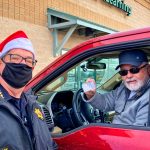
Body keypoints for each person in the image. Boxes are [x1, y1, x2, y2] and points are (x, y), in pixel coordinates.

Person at [0, 31, 57, 149]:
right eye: (15, 58)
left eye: (29, 61)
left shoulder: (34, 106)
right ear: (1, 62)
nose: (23, 64)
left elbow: (49, 145)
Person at [82, 50, 150, 126]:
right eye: (123, 72)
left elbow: (139, 134)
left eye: (134, 70)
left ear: (148, 69)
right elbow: (105, 102)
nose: (128, 76)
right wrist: (91, 95)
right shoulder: (123, 88)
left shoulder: (147, 98)